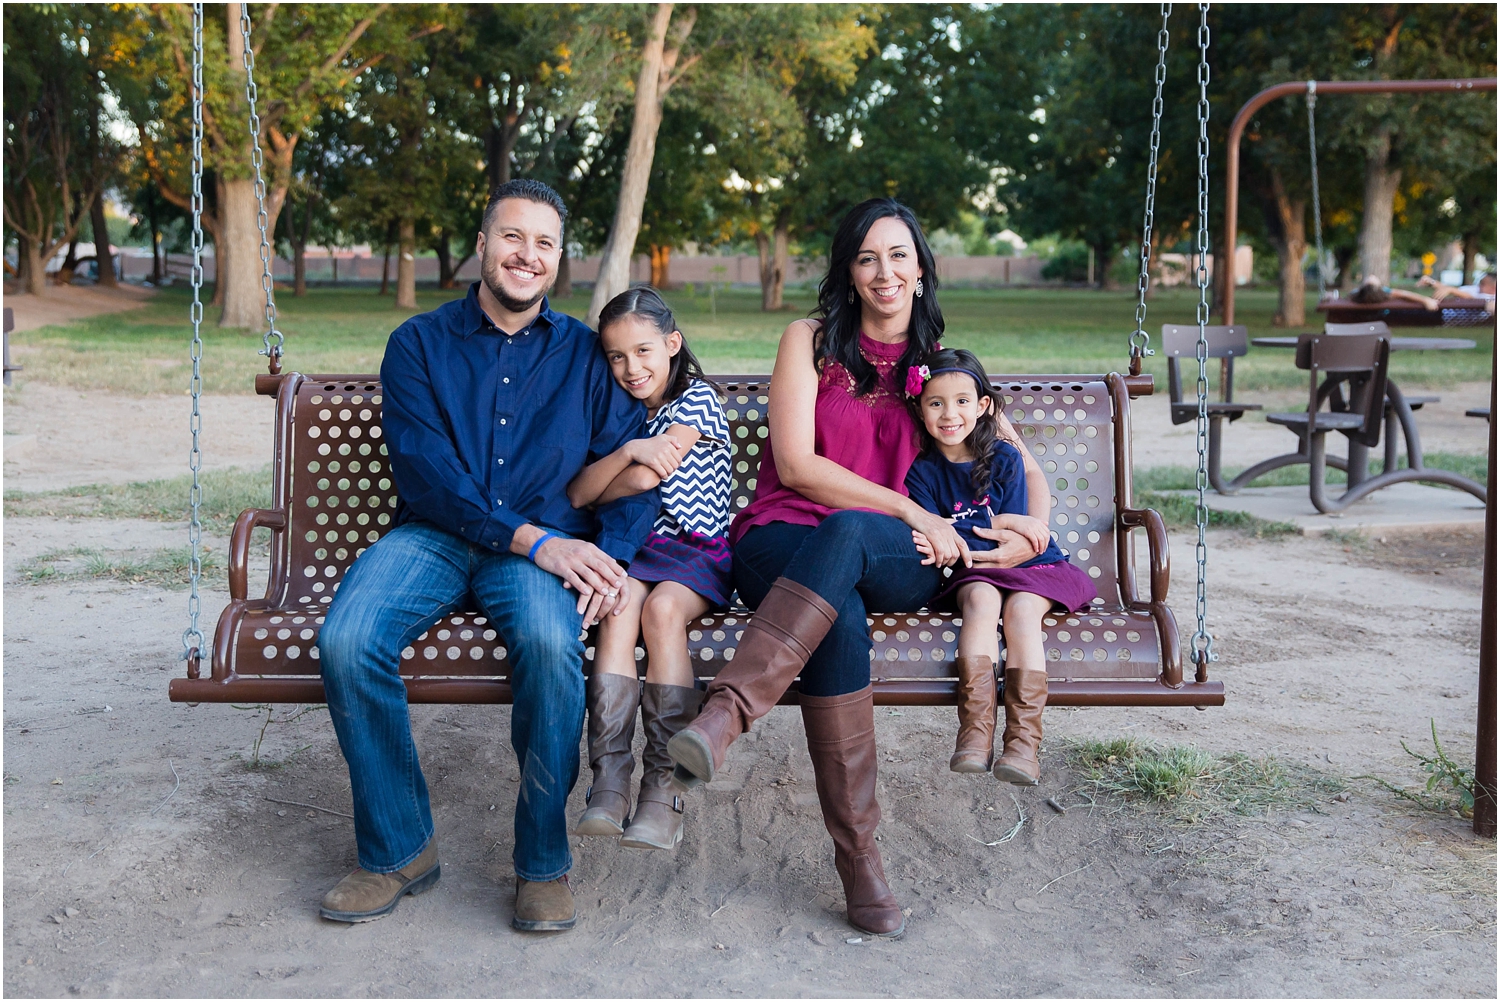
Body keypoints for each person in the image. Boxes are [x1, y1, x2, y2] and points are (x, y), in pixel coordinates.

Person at [665, 198, 1042, 939]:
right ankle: (861, 863)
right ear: (847, 270)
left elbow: (1019, 458)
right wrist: (910, 509)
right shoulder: (807, 341)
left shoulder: (940, 369)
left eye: (900, 255)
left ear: (923, 271)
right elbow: (800, 467)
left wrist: (1034, 531)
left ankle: (726, 715)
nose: (884, 272)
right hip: (783, 542)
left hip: (901, 555)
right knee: (836, 599)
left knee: (847, 547)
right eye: (867, 257)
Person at [315, 179, 657, 933]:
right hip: (436, 537)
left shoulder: (584, 355)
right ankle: (399, 848)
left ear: (559, 260)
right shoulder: (418, 344)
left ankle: (542, 862)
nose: (525, 255)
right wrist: (540, 539)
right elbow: (429, 477)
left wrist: (617, 563)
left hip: (538, 557)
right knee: (346, 638)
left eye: (543, 243)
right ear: (481, 246)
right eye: (512, 237)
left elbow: (631, 470)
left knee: (547, 641)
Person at [566, 288, 732, 851]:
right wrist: (626, 451)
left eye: (643, 352)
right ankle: (609, 782)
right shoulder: (622, 414)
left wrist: (630, 465)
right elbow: (579, 494)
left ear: (672, 344)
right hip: (638, 550)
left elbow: (643, 481)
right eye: (616, 356)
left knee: (662, 612)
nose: (631, 368)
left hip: (697, 551)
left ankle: (665, 789)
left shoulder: (698, 401)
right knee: (617, 610)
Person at [903, 348, 1097, 785]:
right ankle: (974, 733)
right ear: (919, 407)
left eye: (962, 402)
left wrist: (963, 531)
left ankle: (1023, 744)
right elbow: (943, 537)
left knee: (1022, 612)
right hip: (975, 573)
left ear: (983, 406)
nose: (950, 414)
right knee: (980, 601)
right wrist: (969, 532)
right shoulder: (921, 472)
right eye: (936, 403)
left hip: (1031, 565)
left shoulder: (1004, 458)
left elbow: (1012, 530)